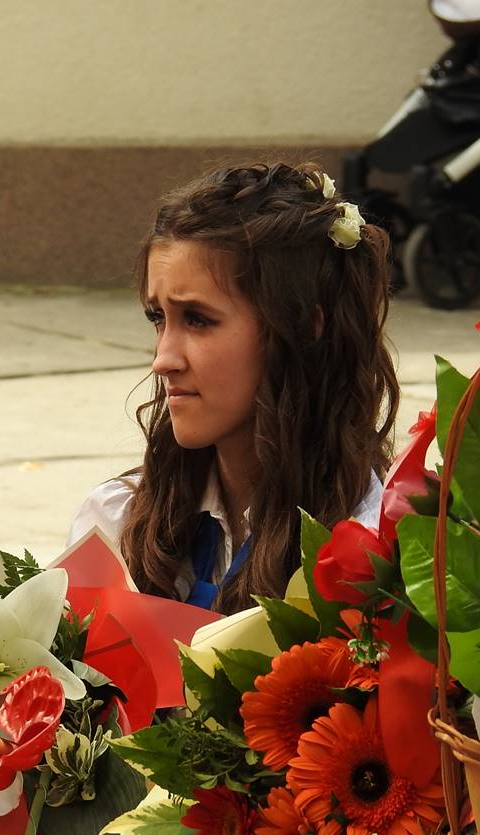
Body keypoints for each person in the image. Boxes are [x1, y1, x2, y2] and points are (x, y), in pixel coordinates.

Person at [69, 162, 400, 614]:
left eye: (198, 320)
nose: (163, 359)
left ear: (304, 328)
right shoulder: (118, 521)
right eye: (158, 318)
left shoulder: (377, 552)